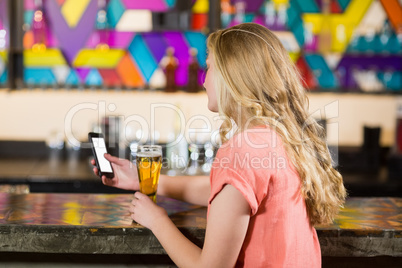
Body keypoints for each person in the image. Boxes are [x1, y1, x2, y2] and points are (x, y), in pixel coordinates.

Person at [92, 23, 347, 267]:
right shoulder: (280, 137)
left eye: (209, 67)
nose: (204, 80)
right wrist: (145, 179)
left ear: (232, 76)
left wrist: (157, 220)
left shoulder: (241, 149)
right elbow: (228, 195)